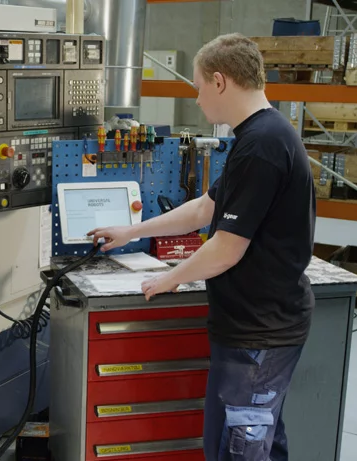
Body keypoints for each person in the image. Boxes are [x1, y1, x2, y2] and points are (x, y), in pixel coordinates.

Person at [88, 33, 316, 461]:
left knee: (237, 451)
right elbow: (204, 208)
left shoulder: (261, 146)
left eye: (197, 87)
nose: (196, 99)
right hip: (264, 327)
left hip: (258, 334)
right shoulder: (262, 135)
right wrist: (131, 231)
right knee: (260, 446)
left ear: (219, 81)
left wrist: (169, 278)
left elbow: (226, 248)